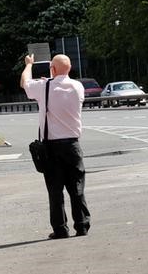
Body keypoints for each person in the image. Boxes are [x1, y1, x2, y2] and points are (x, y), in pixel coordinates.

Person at [20, 53, 91, 239]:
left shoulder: (44, 87)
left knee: (55, 189)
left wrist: (29, 65)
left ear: (52, 69)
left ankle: (60, 229)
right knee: (77, 187)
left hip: (51, 147)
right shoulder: (78, 87)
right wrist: (50, 80)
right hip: (73, 145)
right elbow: (60, 88)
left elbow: (24, 83)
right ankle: (82, 225)